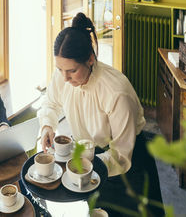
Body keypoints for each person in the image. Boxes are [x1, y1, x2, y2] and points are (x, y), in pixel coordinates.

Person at [38, 13, 164, 216]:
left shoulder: (116, 91)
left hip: (127, 161)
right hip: (90, 156)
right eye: (59, 69)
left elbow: (122, 155)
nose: (64, 78)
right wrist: (47, 125)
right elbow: (51, 103)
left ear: (90, 59)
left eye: (71, 71)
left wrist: (91, 165)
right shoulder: (63, 75)